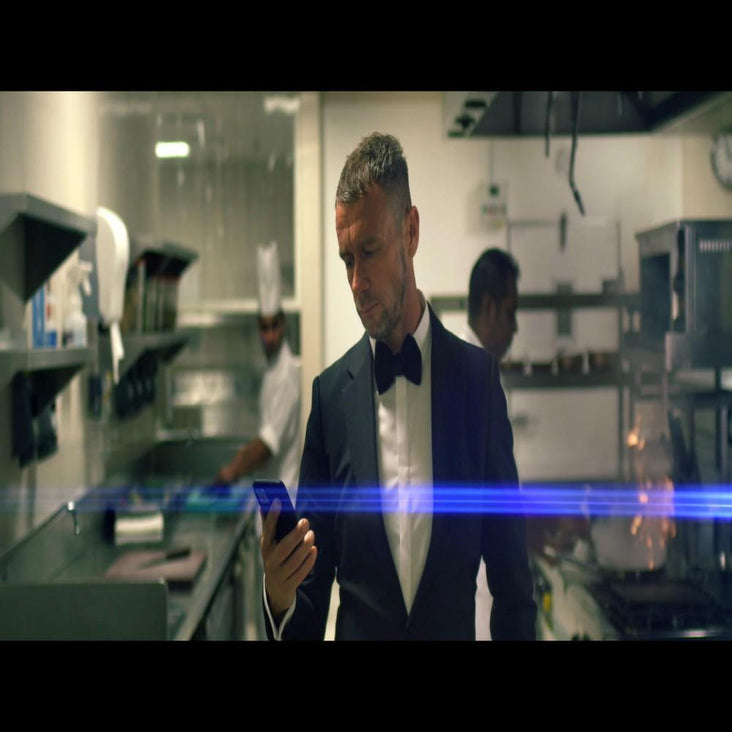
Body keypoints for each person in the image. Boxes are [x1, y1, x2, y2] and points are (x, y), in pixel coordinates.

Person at [260, 133, 536, 640]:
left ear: (410, 232)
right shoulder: (329, 400)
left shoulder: (478, 385)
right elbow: (308, 604)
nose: (356, 282)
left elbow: (514, 587)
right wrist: (279, 598)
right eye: (347, 259)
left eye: (369, 251)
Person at [459, 247, 520, 641]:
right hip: (475, 597)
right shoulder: (468, 378)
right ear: (489, 307)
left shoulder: (480, 373)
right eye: (511, 312)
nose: (515, 327)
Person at [215, 241, 301, 497]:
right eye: (264, 328)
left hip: (284, 499)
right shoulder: (272, 369)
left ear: (284, 324)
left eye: (275, 326)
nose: (270, 335)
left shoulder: (287, 374)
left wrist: (232, 470)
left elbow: (266, 446)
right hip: (269, 495)